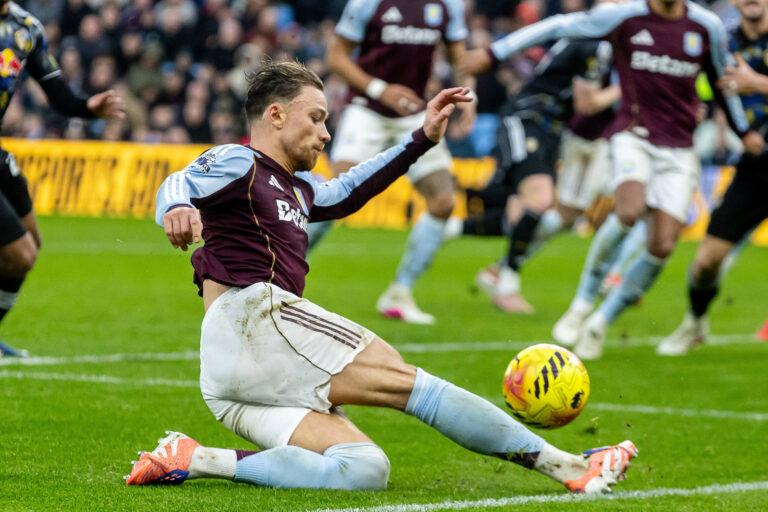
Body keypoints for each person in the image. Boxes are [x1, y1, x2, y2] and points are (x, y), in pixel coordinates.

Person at [125, 61, 637, 493]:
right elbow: (181, 179)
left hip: (231, 377)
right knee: (411, 385)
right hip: (253, 317)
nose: (326, 133)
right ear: (276, 114)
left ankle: (193, 457)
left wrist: (421, 139)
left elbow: (349, 189)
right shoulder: (244, 162)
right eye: (318, 119)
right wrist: (175, 207)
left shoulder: (299, 189)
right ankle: (570, 467)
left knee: (363, 469)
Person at [463, 0, 763, 359]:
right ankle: (581, 303)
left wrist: (743, 131)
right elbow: (558, 26)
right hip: (632, 136)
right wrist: (496, 51)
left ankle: (601, 321)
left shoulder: (707, 26)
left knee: (663, 245)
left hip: (679, 148)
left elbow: (719, 81)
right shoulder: (624, 15)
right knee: (628, 211)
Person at [316, 0, 476, 325]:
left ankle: (400, 293)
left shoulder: (447, 6)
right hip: (367, 108)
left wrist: (469, 98)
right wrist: (380, 89)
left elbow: (461, 58)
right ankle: (277, 272)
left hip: (415, 113)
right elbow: (335, 57)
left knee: (444, 201)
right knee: (335, 196)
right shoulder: (367, 3)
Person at [0, 1, 124, 357]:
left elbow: (57, 93)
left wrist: (87, 107)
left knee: (30, 246)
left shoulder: (27, 29)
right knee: (18, 254)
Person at [466, 35, 620, 313]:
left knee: (537, 214)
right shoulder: (594, 43)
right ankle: (506, 286)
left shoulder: (590, 39)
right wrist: (628, 90)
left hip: (551, 129)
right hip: (529, 118)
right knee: (538, 201)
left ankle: (483, 258)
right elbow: (587, 104)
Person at [658, 0, 768, 355]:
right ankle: (695, 321)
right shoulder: (721, 41)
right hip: (757, 165)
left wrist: (756, 82)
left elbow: (746, 84)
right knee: (706, 262)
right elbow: (711, 87)